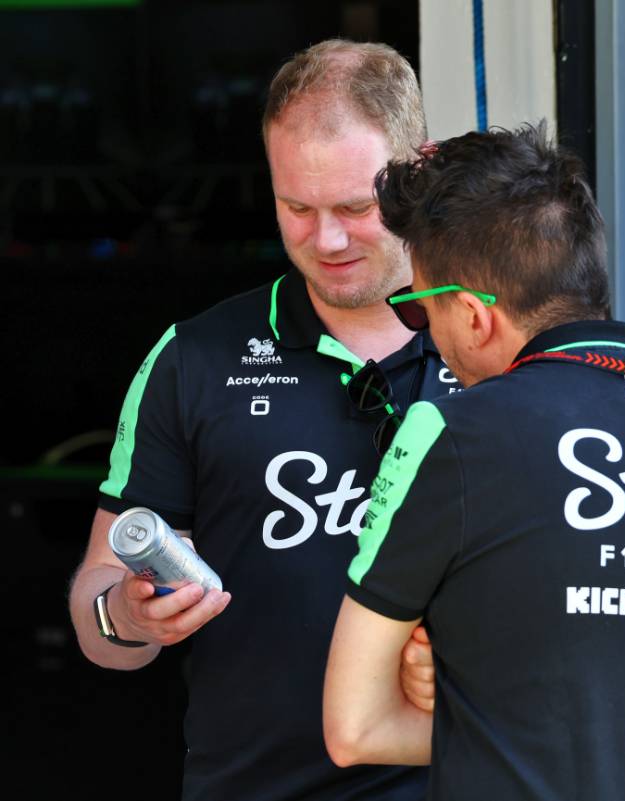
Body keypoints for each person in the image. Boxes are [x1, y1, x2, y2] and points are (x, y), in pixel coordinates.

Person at [321, 123, 625, 801]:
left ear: (476, 318)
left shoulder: (447, 432)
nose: (429, 337)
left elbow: (354, 726)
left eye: (420, 311)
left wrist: (458, 697)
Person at [67, 40, 452, 801]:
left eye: (354, 206)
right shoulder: (194, 358)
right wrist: (131, 615)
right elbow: (96, 611)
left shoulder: (497, 345)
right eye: (296, 208)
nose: (327, 239)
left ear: (420, 170)